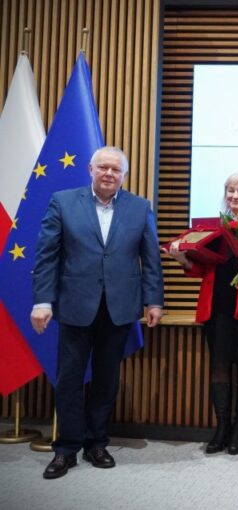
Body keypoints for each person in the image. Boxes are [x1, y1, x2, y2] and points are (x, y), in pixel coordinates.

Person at [30, 146, 164, 479]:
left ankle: (96, 443)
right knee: (70, 379)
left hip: (119, 308)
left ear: (124, 175)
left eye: (115, 170)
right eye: (103, 167)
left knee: (107, 379)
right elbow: (47, 256)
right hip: (75, 304)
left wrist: (154, 301)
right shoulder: (63, 202)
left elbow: (151, 260)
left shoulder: (139, 207)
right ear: (90, 169)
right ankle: (66, 449)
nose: (108, 174)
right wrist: (42, 301)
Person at [166, 173, 238, 455]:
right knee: (219, 365)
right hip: (217, 306)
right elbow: (202, 268)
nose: (235, 196)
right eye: (230, 191)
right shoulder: (213, 228)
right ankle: (222, 427)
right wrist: (183, 258)